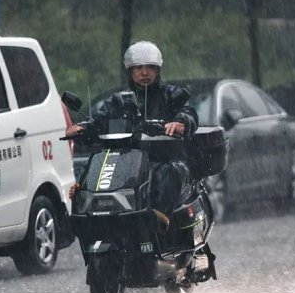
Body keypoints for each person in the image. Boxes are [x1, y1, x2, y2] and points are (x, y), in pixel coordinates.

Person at [67, 41, 198, 226]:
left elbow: (188, 112)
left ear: (157, 69)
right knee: (91, 175)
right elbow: (99, 119)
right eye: (139, 68)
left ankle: (159, 220)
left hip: (162, 159)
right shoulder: (119, 100)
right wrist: (82, 127)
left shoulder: (170, 94)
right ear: (130, 71)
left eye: (150, 67)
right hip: (127, 163)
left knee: (172, 171)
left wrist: (181, 122)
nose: (144, 72)